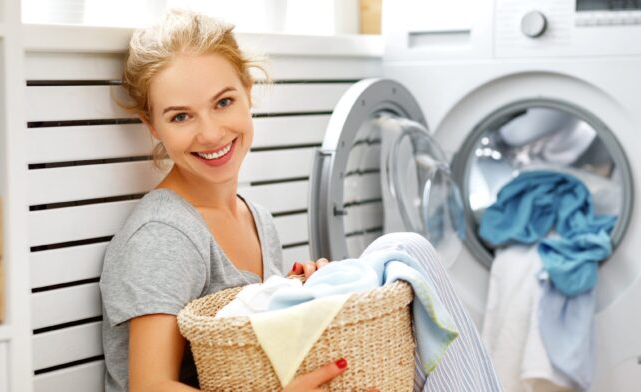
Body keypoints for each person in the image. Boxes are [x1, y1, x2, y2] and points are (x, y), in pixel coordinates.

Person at [100, 8, 502, 392]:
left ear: (248, 93)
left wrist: (309, 293)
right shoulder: (165, 235)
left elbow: (262, 352)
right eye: (181, 117)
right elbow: (150, 386)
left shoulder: (255, 217)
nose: (210, 133)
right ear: (152, 126)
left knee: (404, 259)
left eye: (224, 102)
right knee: (405, 249)